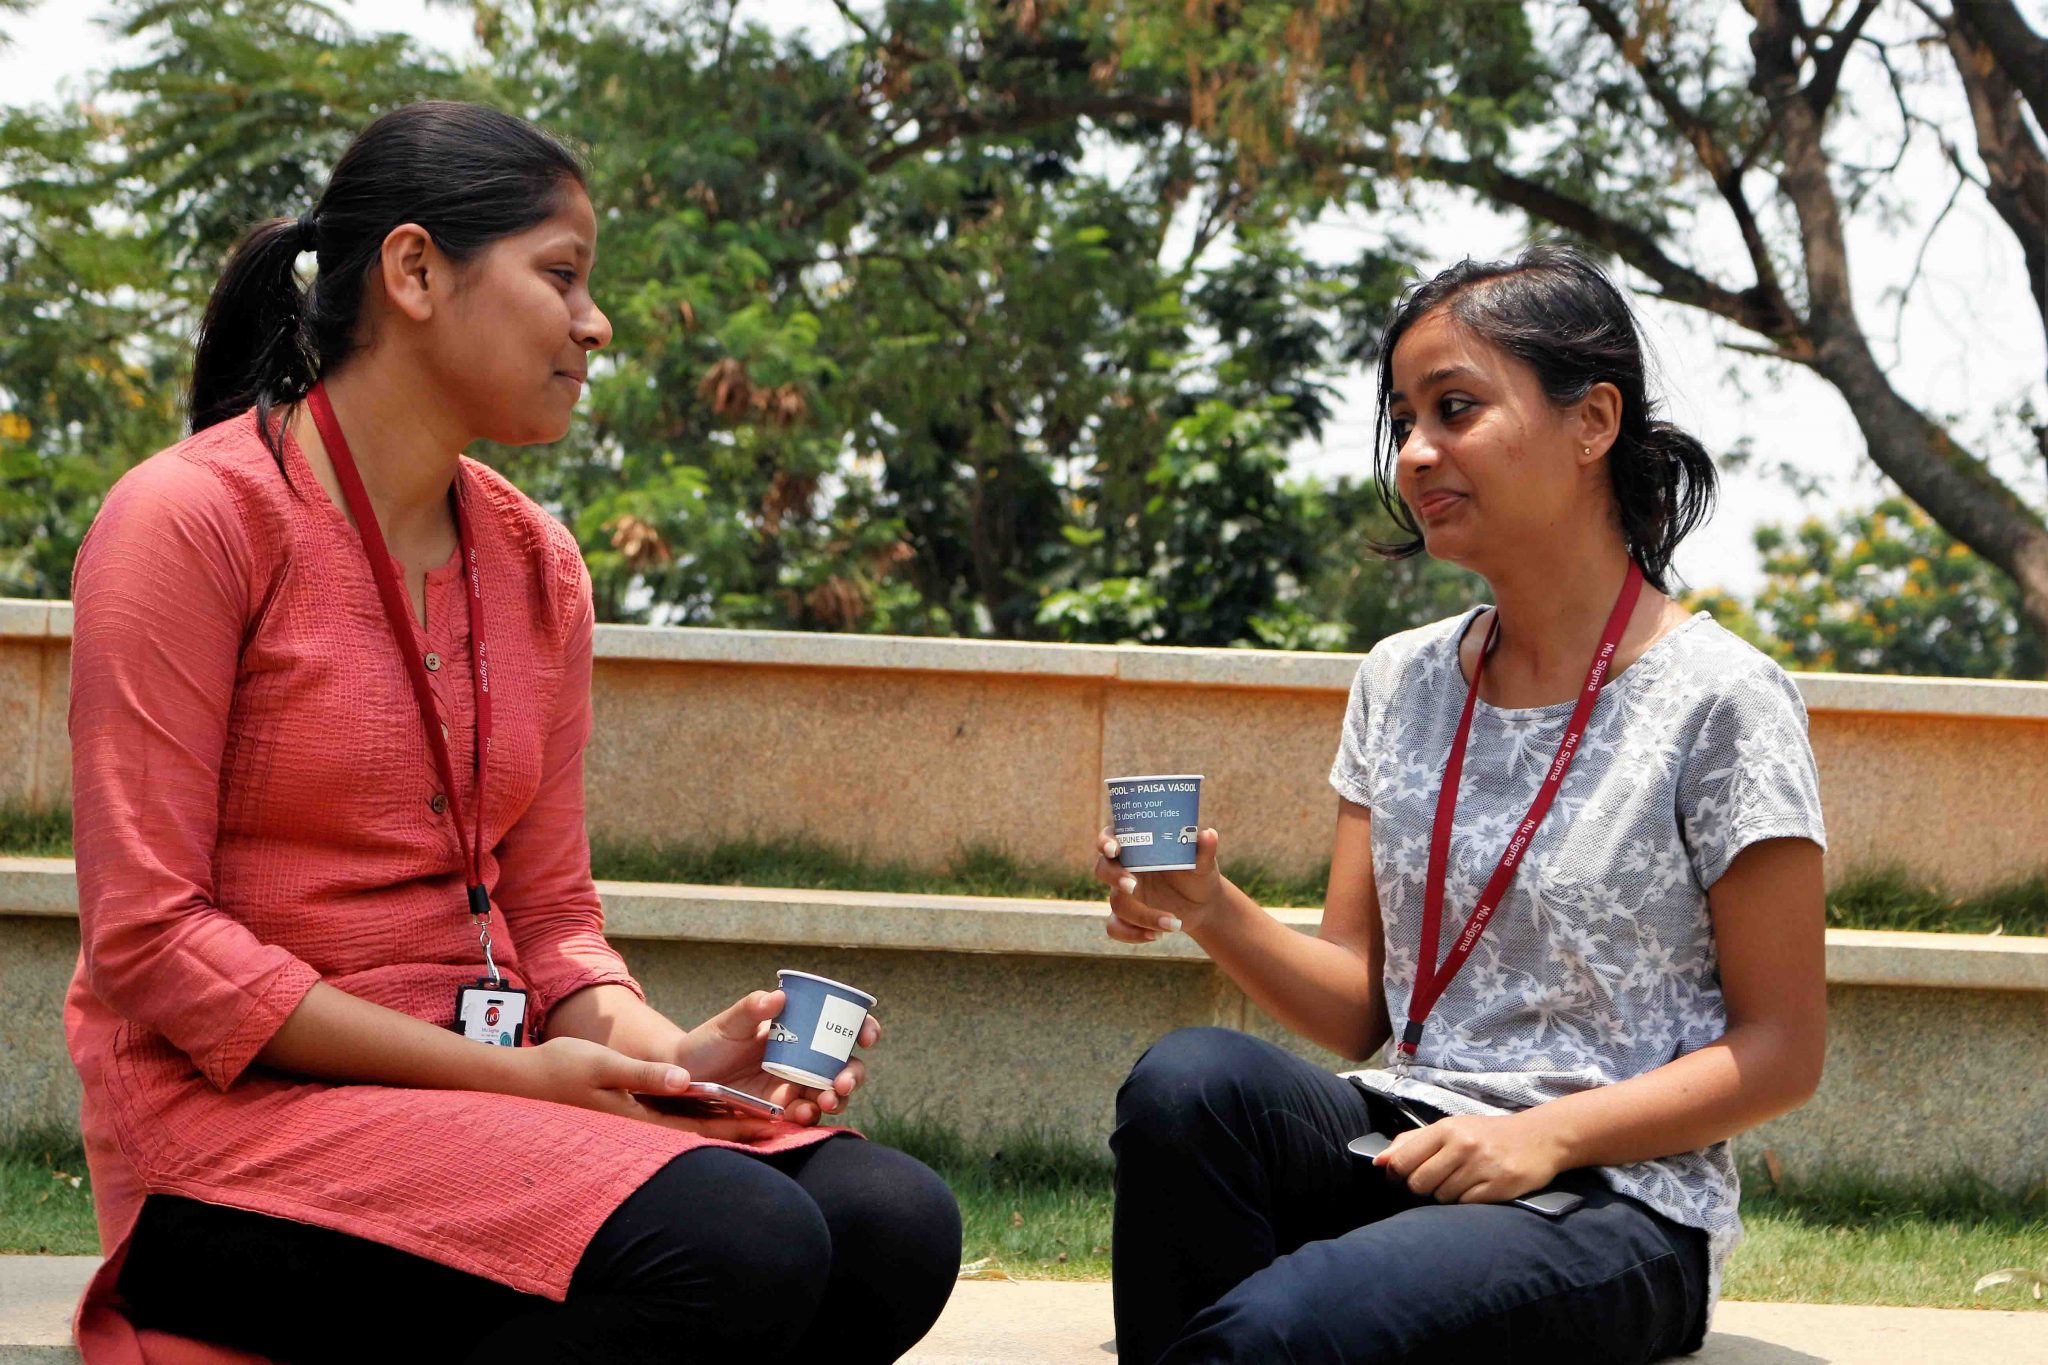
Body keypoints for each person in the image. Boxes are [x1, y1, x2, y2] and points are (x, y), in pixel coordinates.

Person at [65, 100, 959, 1365]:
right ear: (417, 271)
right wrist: (503, 1077)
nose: (595, 324)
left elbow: (548, 924)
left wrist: (675, 1056)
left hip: (484, 1107)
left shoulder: (536, 561)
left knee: (890, 1222)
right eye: (562, 275)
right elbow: (151, 940)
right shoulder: (193, 521)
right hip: (235, 1139)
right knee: (740, 1242)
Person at [1094, 244, 1827, 1364]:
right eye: (1402, 421)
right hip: (1406, 1136)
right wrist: (1206, 904)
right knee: (1188, 1086)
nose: (1416, 453)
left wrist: (1541, 1136)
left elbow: (1780, 1049)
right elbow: (1358, 1010)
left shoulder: (1723, 699)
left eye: (1454, 409)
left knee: (1283, 1333)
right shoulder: (1401, 678)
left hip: (1610, 1199)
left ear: (1591, 423)